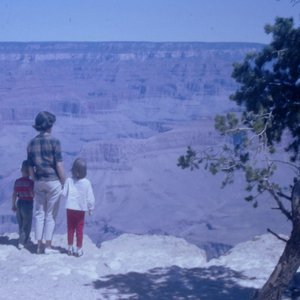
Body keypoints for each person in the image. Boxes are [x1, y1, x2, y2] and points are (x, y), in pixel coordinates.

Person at [27, 111, 65, 254]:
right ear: (49, 125)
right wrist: (65, 181)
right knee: (50, 215)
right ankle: (48, 247)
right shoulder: (55, 141)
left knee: (39, 213)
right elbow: (59, 165)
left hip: (38, 181)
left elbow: (30, 166)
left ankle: (38, 246)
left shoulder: (30, 143)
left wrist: (34, 180)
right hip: (53, 182)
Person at [61, 158, 95, 257]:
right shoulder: (87, 183)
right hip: (80, 210)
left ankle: (69, 248)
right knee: (79, 229)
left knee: (70, 228)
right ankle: (79, 249)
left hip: (70, 209)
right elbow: (90, 198)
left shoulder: (68, 180)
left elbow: (63, 194)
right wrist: (91, 208)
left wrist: (60, 188)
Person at [12, 160, 34, 249]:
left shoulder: (17, 181)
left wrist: (13, 205)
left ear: (21, 171)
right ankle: (23, 241)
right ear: (30, 172)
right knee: (27, 224)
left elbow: (14, 194)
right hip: (28, 204)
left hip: (19, 202)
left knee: (20, 222)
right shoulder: (31, 182)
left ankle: (22, 238)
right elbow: (33, 194)